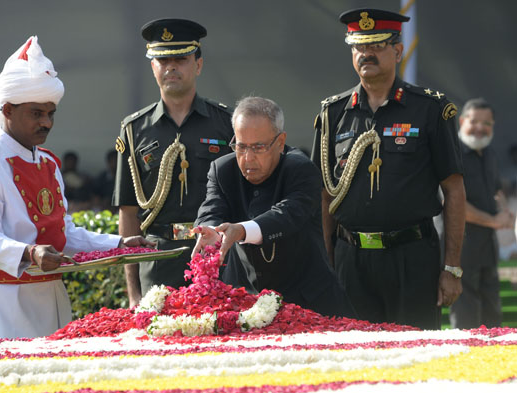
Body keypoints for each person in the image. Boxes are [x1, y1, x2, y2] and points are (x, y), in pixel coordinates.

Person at [0, 36, 150, 340]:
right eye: (36, 113)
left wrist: (119, 244)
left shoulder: (50, 163)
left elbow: (65, 233)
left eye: (50, 113)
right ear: (8, 110)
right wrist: (29, 252)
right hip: (3, 304)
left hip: (52, 298)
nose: (47, 123)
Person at [311, 8, 466, 329]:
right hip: (350, 260)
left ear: (397, 51)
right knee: (353, 358)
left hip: (412, 257)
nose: (366, 53)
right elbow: (324, 195)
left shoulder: (430, 109)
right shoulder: (333, 114)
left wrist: (451, 268)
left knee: (417, 358)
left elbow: (454, 190)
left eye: (376, 45)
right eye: (358, 46)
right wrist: (326, 264)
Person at [192, 97, 355, 317]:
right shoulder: (222, 170)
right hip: (244, 302)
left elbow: (287, 215)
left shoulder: (301, 169)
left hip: (308, 301)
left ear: (280, 142)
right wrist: (210, 230)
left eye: (258, 147)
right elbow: (211, 209)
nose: (248, 158)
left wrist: (240, 230)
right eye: (241, 146)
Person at [113, 19, 234, 307]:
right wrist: (133, 294)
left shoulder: (227, 124)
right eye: (163, 60)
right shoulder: (134, 129)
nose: (171, 67)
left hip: (215, 256)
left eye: (181, 58)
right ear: (152, 67)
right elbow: (129, 213)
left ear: (199, 65)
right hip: (157, 259)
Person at [449, 98, 513, 328]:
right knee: (466, 317)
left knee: (493, 314)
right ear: (463, 121)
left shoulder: (489, 154)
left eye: (487, 123)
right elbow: (454, 205)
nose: (480, 128)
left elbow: (497, 190)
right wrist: (495, 221)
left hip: (487, 247)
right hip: (459, 248)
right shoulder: (450, 153)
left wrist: (505, 211)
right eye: (474, 121)